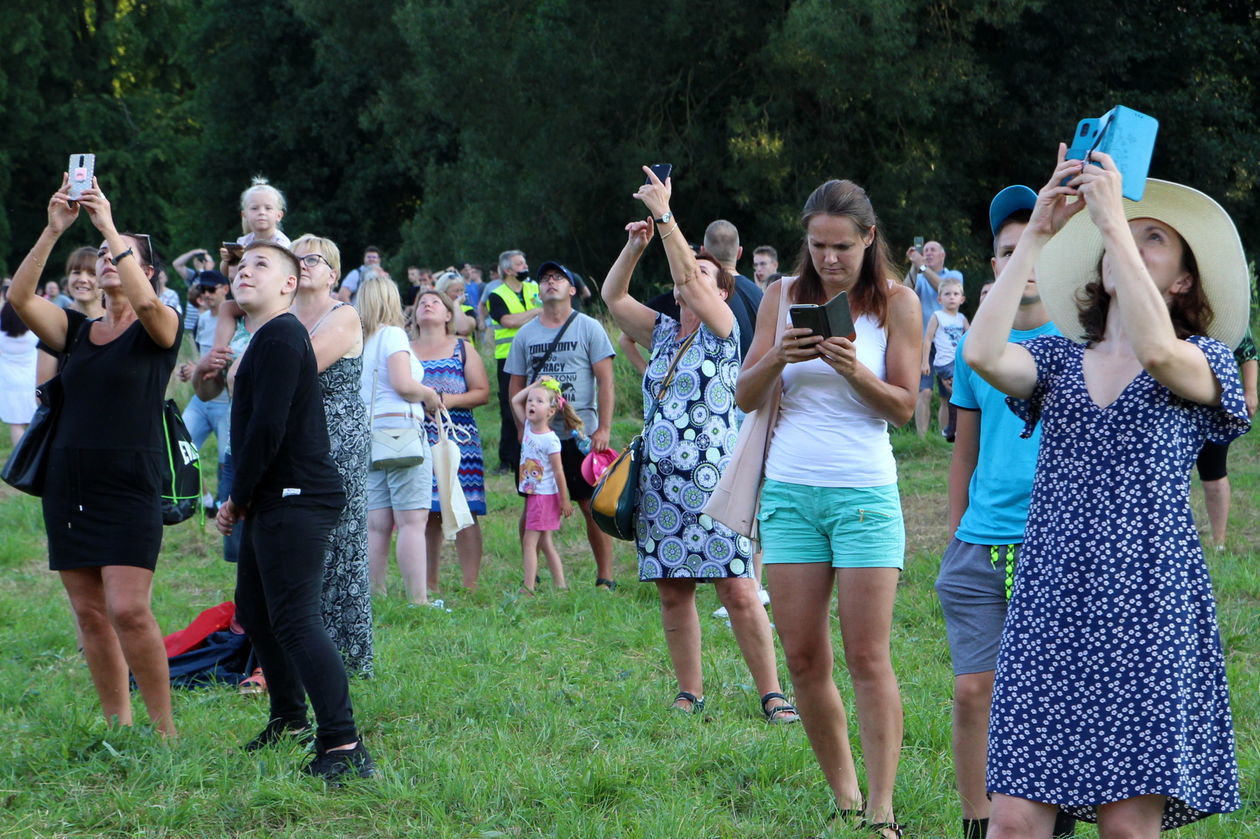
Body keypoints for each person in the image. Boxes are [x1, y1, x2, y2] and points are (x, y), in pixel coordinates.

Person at [965, 147, 1248, 837]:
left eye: (1156, 237)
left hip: (1148, 607)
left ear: (1183, 282)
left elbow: (1154, 350)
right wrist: (1036, 231)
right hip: (1051, 601)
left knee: (1126, 827)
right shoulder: (1057, 360)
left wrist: (1113, 219)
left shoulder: (1203, 363)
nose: (1132, 239)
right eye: (1129, 232)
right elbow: (979, 353)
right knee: (1011, 822)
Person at [735, 178, 920, 838]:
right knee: (806, 658)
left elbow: (903, 406)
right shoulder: (782, 296)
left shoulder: (897, 302)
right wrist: (780, 355)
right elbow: (744, 393)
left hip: (864, 493)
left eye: (842, 246)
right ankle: (844, 796)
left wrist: (852, 370)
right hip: (790, 492)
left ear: (869, 239)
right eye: (817, 246)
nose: (829, 259)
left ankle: (882, 808)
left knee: (868, 657)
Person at [603, 169, 800, 724]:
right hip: (660, 485)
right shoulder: (663, 331)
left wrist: (666, 216)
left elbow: (691, 282)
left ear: (719, 290)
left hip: (714, 484)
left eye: (703, 273)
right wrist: (636, 244)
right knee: (673, 592)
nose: (690, 281)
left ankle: (772, 693)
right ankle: (690, 692)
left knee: (738, 590)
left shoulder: (723, 330)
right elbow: (613, 295)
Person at [7, 175, 180, 737]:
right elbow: (20, 299)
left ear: (144, 269)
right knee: (90, 616)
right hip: (70, 485)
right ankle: (117, 725)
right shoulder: (77, 332)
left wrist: (107, 223)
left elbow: (149, 304)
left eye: (119, 256)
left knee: (129, 609)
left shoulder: (160, 328)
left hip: (131, 483)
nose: (107, 261)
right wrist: (56, 228)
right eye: (102, 255)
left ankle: (164, 732)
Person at [934, 185, 1076, 839]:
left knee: (1057, 695)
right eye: (1008, 251)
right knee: (973, 691)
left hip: (1057, 545)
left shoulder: (1082, 339)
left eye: (1035, 245)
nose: (1022, 258)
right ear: (995, 264)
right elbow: (965, 452)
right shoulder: (978, 346)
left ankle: (1059, 812)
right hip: (982, 541)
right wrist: (956, 534)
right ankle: (977, 817)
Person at [214, 241, 372, 781]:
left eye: (261, 265)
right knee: (257, 613)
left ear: (287, 284)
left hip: (297, 494)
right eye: (239, 266)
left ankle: (344, 745)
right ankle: (288, 718)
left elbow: (267, 428)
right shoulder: (265, 338)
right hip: (274, 495)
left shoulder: (281, 336)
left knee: (297, 619)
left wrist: (237, 497)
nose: (244, 272)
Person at [505, 261, 617, 590]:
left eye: (558, 278)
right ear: (538, 291)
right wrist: (522, 429)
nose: (550, 282)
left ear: (571, 289)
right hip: (537, 438)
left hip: (581, 435)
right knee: (532, 501)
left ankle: (605, 577)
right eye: (544, 279)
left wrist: (604, 429)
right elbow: (514, 386)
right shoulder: (525, 334)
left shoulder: (589, 328)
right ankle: (533, 574)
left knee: (589, 504)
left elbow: (606, 382)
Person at [290, 234, 373, 677]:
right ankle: (299, 647)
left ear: (333, 273)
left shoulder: (343, 316)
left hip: (337, 440)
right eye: (296, 258)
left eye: (314, 259)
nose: (304, 264)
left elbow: (297, 367)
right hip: (289, 439)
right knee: (296, 543)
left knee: (339, 544)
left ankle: (347, 657)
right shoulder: (279, 316)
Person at [357, 275, 442, 604]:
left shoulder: (358, 343)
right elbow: (404, 384)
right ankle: (417, 600)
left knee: (376, 524)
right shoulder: (393, 335)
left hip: (369, 434)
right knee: (411, 521)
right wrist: (429, 394)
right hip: (402, 432)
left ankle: (374, 598)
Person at [410, 288, 489, 593]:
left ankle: (471, 584)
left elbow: (481, 391)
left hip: (459, 437)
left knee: (465, 507)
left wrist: (446, 400)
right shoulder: (403, 348)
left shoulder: (462, 347)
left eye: (435, 302)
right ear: (415, 315)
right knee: (427, 510)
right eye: (421, 303)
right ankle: (430, 582)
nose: (427, 305)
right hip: (417, 437)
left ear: (447, 315)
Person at [1194, 327, 1257, 549]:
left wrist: (1250, 391)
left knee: (1214, 473)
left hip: (1215, 404)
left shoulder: (1227, 315)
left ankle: (1218, 542)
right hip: (1169, 402)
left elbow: (1248, 352)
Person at [510, 378, 575, 593]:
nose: (531, 404)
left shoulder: (550, 440)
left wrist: (564, 500)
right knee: (545, 542)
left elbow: (559, 472)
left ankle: (528, 587)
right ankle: (560, 585)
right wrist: (537, 383)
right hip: (534, 495)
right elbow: (514, 400)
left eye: (539, 401)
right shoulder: (528, 427)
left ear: (551, 411)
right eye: (530, 401)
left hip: (544, 497)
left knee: (530, 542)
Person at [487, 249, 540, 471]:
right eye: (519, 264)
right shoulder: (496, 294)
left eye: (524, 261)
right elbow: (508, 321)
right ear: (507, 270)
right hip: (507, 358)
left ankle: (537, 453)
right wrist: (537, 311)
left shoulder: (534, 287)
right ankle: (507, 459)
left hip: (536, 355)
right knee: (510, 408)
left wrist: (533, 314)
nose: (524, 267)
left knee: (538, 403)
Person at [905, 239, 964, 435]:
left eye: (933, 250)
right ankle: (922, 438)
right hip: (924, 342)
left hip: (948, 345)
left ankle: (945, 434)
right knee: (924, 391)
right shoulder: (920, 277)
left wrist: (920, 265)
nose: (928, 253)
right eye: (926, 250)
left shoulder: (953, 275)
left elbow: (944, 286)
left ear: (942, 255)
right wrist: (915, 267)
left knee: (947, 395)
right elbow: (904, 293)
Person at [36, 247, 103, 384]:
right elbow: (43, 395)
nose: (83, 279)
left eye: (92, 274)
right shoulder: (56, 324)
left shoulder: (120, 323)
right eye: (76, 272)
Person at [920, 277, 969, 440]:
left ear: (962, 299)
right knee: (957, 392)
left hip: (958, 362)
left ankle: (947, 431)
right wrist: (925, 361)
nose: (952, 297)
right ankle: (952, 430)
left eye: (956, 294)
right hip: (944, 362)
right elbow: (927, 339)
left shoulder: (961, 318)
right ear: (939, 299)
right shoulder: (938, 316)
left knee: (948, 397)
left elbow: (970, 338)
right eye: (947, 294)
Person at [0, 296, 38, 445]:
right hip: (31, 379)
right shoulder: (34, 333)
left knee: (15, 424)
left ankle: (19, 460)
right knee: (33, 422)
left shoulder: (2, 335)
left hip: (9, 382)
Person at [433, 270, 478, 338]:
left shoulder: (468, 310)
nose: (460, 294)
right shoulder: (435, 311)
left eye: (462, 290)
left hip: (464, 348)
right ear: (444, 293)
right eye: (456, 291)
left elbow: (464, 329)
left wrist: (456, 304)